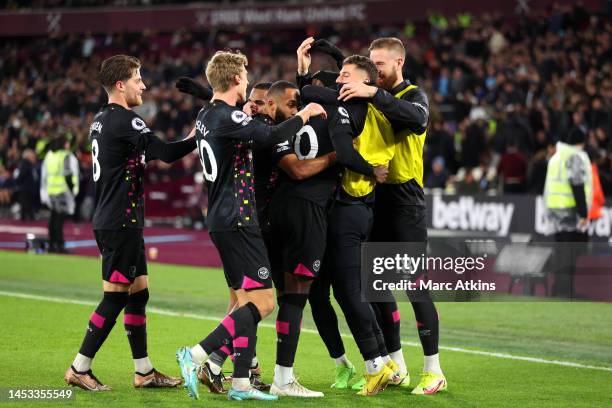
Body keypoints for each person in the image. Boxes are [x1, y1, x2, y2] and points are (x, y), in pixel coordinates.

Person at [175, 51, 327, 401]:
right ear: (233, 81)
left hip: (221, 217)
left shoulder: (207, 114)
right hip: (238, 219)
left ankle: (240, 383)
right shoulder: (227, 116)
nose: (246, 82)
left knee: (244, 300)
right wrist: (303, 115)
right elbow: (271, 137)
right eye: (243, 76)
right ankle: (196, 355)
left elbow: (238, 124)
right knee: (264, 302)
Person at [64, 54, 197, 391]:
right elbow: (166, 154)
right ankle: (80, 367)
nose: (144, 85)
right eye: (139, 79)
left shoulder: (100, 119)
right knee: (115, 297)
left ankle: (144, 371)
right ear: (121, 84)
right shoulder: (127, 120)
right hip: (119, 221)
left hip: (121, 219)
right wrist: (200, 134)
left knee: (138, 294)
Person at [338, 37, 447, 395]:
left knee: (416, 287)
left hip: (405, 201)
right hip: (374, 198)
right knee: (377, 287)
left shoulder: (414, 96)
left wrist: (372, 95)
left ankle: (434, 370)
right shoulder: (366, 96)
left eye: (380, 65)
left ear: (398, 63)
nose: (375, 71)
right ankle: (396, 364)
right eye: (372, 64)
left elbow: (415, 121)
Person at [544, 127, 592, 298]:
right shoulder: (574, 157)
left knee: (561, 253)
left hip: (555, 211)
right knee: (570, 254)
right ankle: (566, 291)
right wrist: (584, 213)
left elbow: (548, 187)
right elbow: (577, 185)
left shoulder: (556, 157)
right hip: (569, 211)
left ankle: (559, 289)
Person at [40, 136, 79, 253]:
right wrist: (73, 190)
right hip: (62, 191)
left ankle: (52, 244)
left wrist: (44, 192)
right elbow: (69, 174)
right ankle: (60, 245)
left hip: (51, 191)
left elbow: (44, 175)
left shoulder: (49, 156)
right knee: (59, 220)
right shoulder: (65, 156)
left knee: (53, 219)